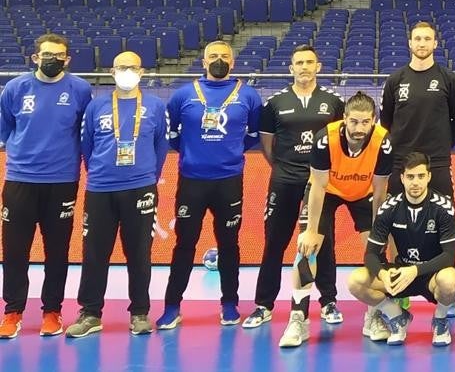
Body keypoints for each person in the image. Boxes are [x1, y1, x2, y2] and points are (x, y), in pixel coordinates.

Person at [156, 40, 264, 330]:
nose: (218, 60)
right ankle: (172, 306)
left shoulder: (249, 96)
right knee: (184, 244)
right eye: (213, 56)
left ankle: (229, 303)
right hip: (192, 180)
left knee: (229, 244)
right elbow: (172, 135)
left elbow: (255, 135)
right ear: (203, 62)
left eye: (224, 56)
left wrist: (230, 152)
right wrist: (194, 153)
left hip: (229, 180)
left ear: (232, 62)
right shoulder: (183, 95)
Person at [65, 52, 168, 338]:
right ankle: (90, 313)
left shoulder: (155, 106)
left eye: (133, 67)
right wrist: (101, 173)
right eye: (122, 67)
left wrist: (146, 176)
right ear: (112, 71)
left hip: (140, 188)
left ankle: (139, 313)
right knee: (94, 253)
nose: (127, 72)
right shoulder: (96, 106)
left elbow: (161, 146)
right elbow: (86, 146)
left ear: (142, 72)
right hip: (100, 188)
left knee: (139, 253)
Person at [278, 92, 393, 347]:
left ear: (374, 120)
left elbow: (380, 191)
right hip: (328, 190)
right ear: (344, 118)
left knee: (376, 251)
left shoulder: (383, 141)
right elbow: (318, 186)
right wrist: (310, 231)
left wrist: (379, 233)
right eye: (354, 121)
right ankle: (298, 318)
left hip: (365, 192)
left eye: (365, 122)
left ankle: (374, 315)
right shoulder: (325, 138)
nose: (359, 128)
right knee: (306, 248)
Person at [244, 45, 346, 329]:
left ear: (318, 67)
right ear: (291, 68)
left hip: (320, 182)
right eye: (299, 62)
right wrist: (283, 167)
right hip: (284, 180)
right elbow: (267, 146)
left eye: (309, 62)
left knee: (322, 242)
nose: (304, 67)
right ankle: (264, 305)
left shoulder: (333, 102)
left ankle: (328, 301)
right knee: (274, 242)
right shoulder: (274, 103)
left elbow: (340, 142)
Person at [0, 32, 93, 338]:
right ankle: (12, 311)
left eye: (59, 56)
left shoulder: (80, 89)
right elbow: (6, 129)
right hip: (20, 180)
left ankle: (52, 311)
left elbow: (85, 132)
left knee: (57, 251)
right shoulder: (15, 88)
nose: (52, 60)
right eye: (47, 54)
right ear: (35, 57)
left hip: (62, 181)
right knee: (14, 251)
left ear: (67, 59)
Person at [347, 152, 455, 347]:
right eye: (410, 177)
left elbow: (449, 256)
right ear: (402, 178)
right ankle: (396, 315)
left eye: (420, 176)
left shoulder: (443, 207)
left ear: (429, 177)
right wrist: (383, 274)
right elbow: (371, 254)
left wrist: (415, 270)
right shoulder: (389, 208)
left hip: (431, 275)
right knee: (355, 281)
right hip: (400, 274)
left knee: (449, 279)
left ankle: (440, 320)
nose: (415, 182)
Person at [381, 21, 455, 197]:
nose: (422, 43)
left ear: (435, 43)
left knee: (444, 212)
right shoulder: (394, 80)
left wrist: (444, 144)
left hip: (437, 161)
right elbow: (385, 121)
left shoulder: (449, 79)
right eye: (418, 39)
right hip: (401, 160)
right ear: (410, 43)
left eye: (427, 39)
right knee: (396, 212)